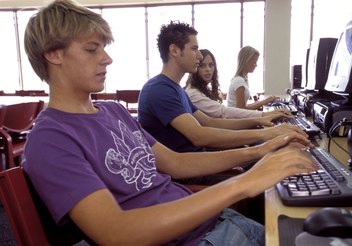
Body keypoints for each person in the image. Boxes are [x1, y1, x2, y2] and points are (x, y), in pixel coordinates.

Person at [22, 1, 317, 245]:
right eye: (92, 49)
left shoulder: (114, 111)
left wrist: (259, 151)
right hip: (195, 239)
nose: (107, 58)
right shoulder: (50, 138)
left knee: (320, 228)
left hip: (213, 222)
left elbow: (176, 164)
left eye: (103, 48)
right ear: (53, 54)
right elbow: (116, 232)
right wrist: (243, 182)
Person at [138, 21, 306, 155]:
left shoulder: (177, 89)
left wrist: (258, 121)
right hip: (190, 174)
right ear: (174, 50)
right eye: (194, 49)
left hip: (201, 160)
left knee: (279, 156)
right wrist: (265, 134)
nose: (200, 55)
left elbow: (210, 122)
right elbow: (199, 136)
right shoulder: (159, 90)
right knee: (277, 169)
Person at [185, 49, 292, 119]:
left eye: (211, 65)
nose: (208, 70)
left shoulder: (203, 90)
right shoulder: (193, 93)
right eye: (202, 66)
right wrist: (266, 113)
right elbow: (228, 111)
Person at [227, 46, 277, 110]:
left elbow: (244, 106)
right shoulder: (239, 81)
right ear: (246, 61)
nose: (256, 65)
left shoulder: (243, 79)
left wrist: (263, 102)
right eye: (254, 62)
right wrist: (264, 102)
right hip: (235, 118)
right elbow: (242, 110)